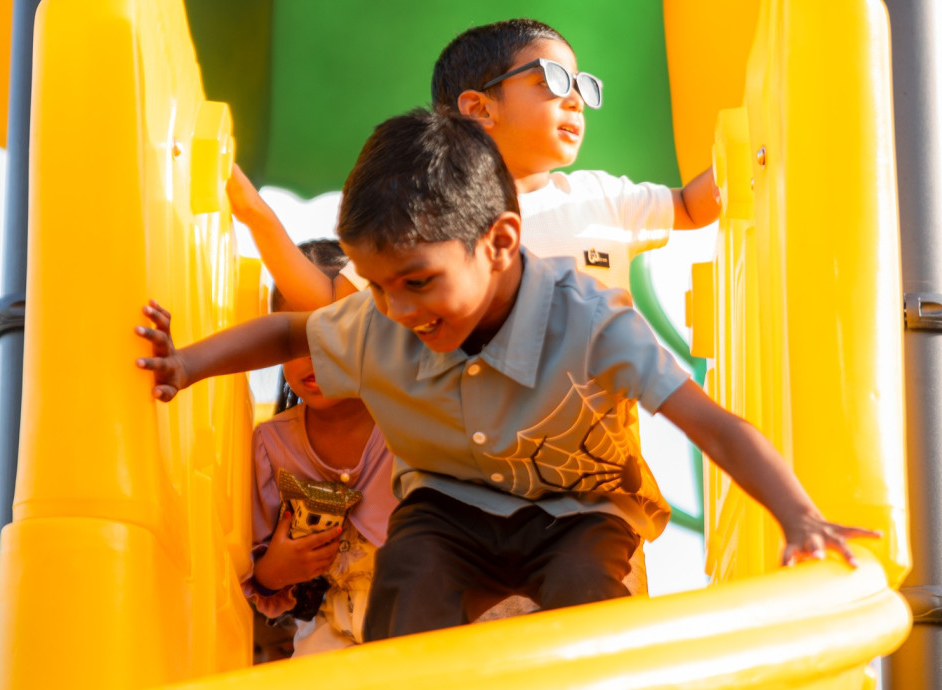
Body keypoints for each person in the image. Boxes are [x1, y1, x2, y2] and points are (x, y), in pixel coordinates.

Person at [136, 110, 875, 642]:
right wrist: (187, 363)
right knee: (410, 576)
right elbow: (287, 331)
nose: (397, 308)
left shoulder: (591, 323)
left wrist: (799, 516)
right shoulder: (382, 320)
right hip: (449, 506)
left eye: (417, 282)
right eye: (377, 285)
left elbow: (710, 424)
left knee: (587, 593)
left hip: (579, 510)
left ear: (501, 241)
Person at [431, 17, 720, 290]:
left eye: (580, 85)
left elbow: (689, 207)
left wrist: (741, 143)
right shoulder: (437, 220)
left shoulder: (602, 197)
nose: (576, 100)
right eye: (551, 80)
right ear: (480, 109)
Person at [244, 239, 397, 655]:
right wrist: (274, 570)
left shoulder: (405, 421)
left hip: (422, 618)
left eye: (335, 332)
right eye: (296, 336)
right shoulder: (271, 445)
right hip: (333, 630)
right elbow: (258, 575)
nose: (315, 355)